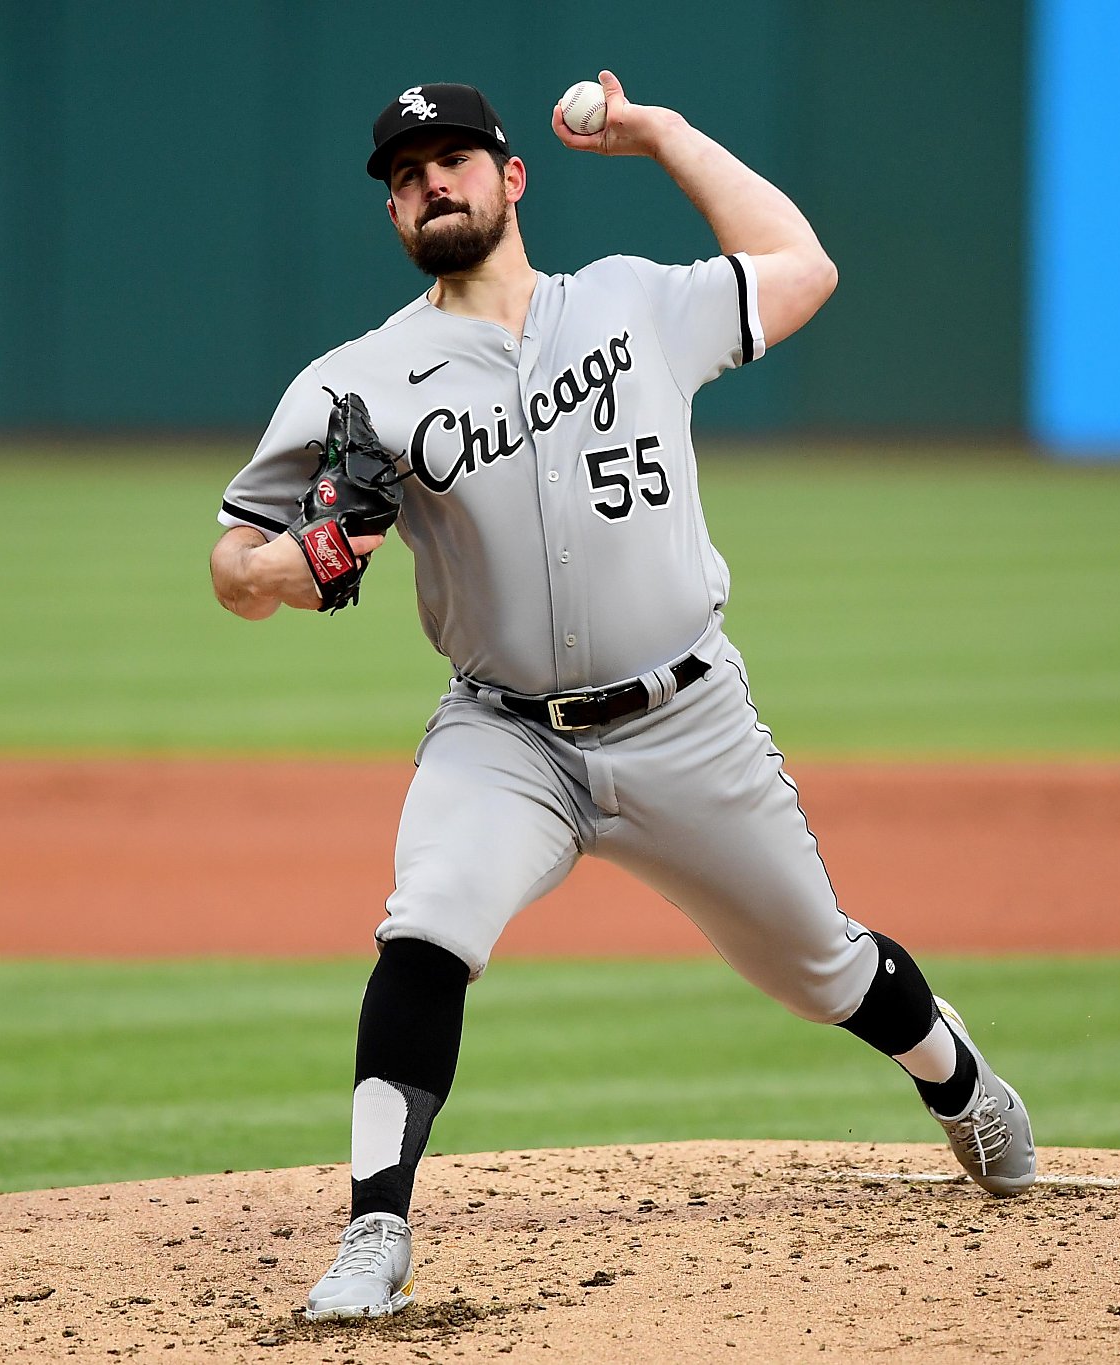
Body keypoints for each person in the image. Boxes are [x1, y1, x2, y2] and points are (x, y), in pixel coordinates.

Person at [209, 72, 1036, 1323]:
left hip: (687, 722)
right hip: (504, 737)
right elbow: (232, 565)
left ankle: (953, 1074)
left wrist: (659, 136)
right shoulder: (356, 383)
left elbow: (798, 266)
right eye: (403, 174)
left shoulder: (633, 305)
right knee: (428, 919)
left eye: (453, 160)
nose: (430, 181)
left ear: (509, 178)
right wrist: (290, 564)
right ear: (391, 214)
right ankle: (375, 1229)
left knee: (820, 967)